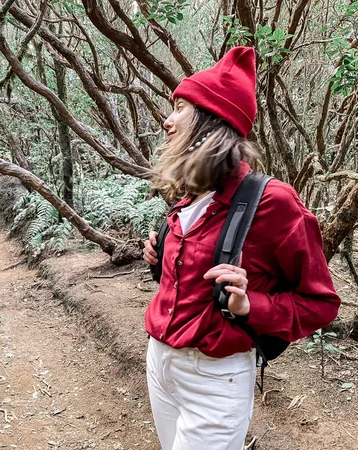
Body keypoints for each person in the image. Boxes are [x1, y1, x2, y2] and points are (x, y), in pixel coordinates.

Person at [142, 46, 341, 450]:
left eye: (179, 108)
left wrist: (252, 306)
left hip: (214, 378)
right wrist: (159, 258)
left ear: (210, 121)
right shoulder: (188, 196)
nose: (167, 120)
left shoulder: (274, 203)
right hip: (159, 362)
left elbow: (321, 303)